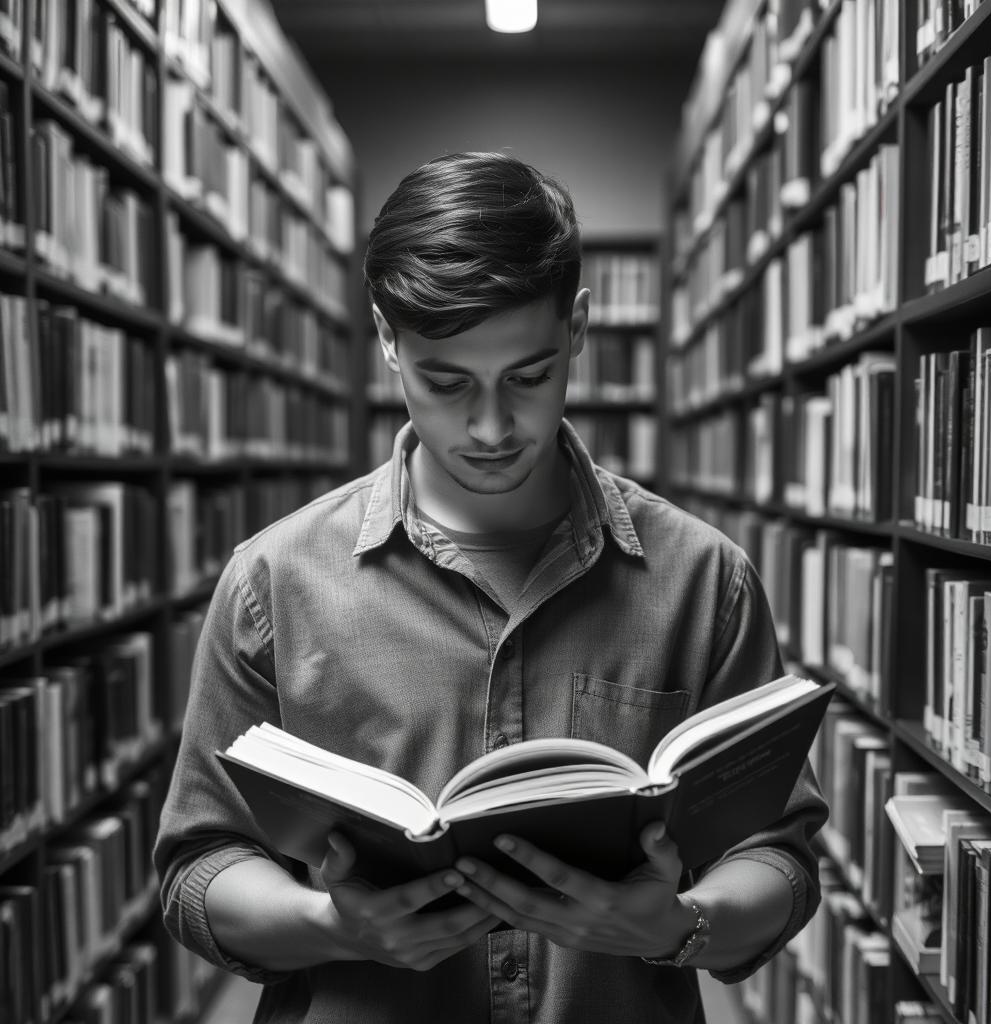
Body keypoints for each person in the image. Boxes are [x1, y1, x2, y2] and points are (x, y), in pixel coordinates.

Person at [155, 151, 827, 1024]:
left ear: (579, 327)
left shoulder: (703, 579)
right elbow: (198, 867)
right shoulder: (272, 583)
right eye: (445, 382)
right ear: (388, 341)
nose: (491, 427)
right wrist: (334, 926)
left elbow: (779, 856)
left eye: (529, 375)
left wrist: (680, 923)